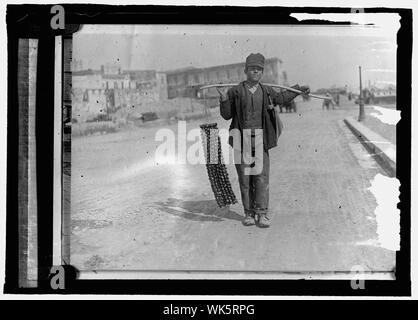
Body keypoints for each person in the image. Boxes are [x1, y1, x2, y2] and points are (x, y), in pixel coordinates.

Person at [217, 53, 310, 228]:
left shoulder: (266, 90)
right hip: (241, 140)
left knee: (261, 177)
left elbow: (281, 98)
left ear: (262, 72)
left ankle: (262, 214)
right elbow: (227, 114)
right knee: (245, 179)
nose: (256, 72)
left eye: (259, 69)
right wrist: (223, 98)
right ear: (245, 71)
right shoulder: (235, 91)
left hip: (260, 140)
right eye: (252, 69)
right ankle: (249, 213)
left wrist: (297, 90)